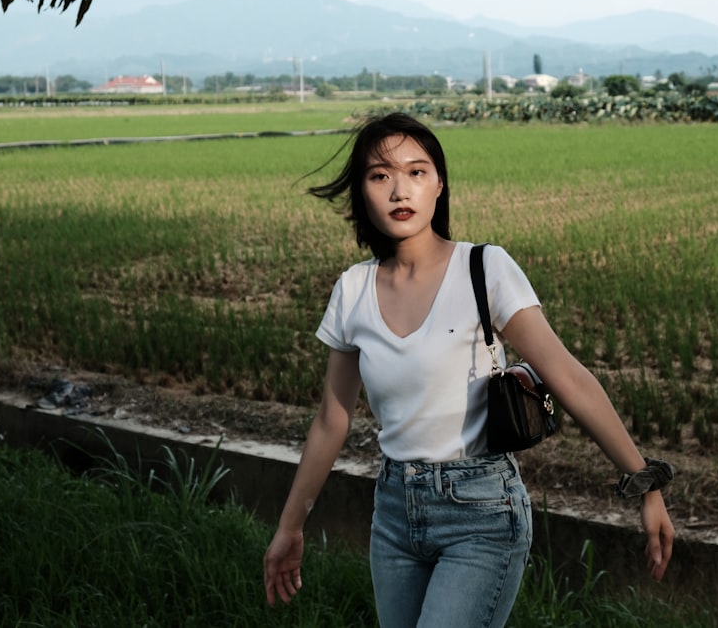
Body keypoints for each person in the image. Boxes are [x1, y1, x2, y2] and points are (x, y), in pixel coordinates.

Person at [263, 112, 675, 627]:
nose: (399, 190)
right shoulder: (353, 290)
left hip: (481, 512)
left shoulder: (484, 268)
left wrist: (645, 483)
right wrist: (290, 526)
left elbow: (567, 377)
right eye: (379, 175)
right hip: (393, 513)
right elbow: (332, 418)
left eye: (416, 172)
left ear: (440, 185)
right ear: (363, 193)